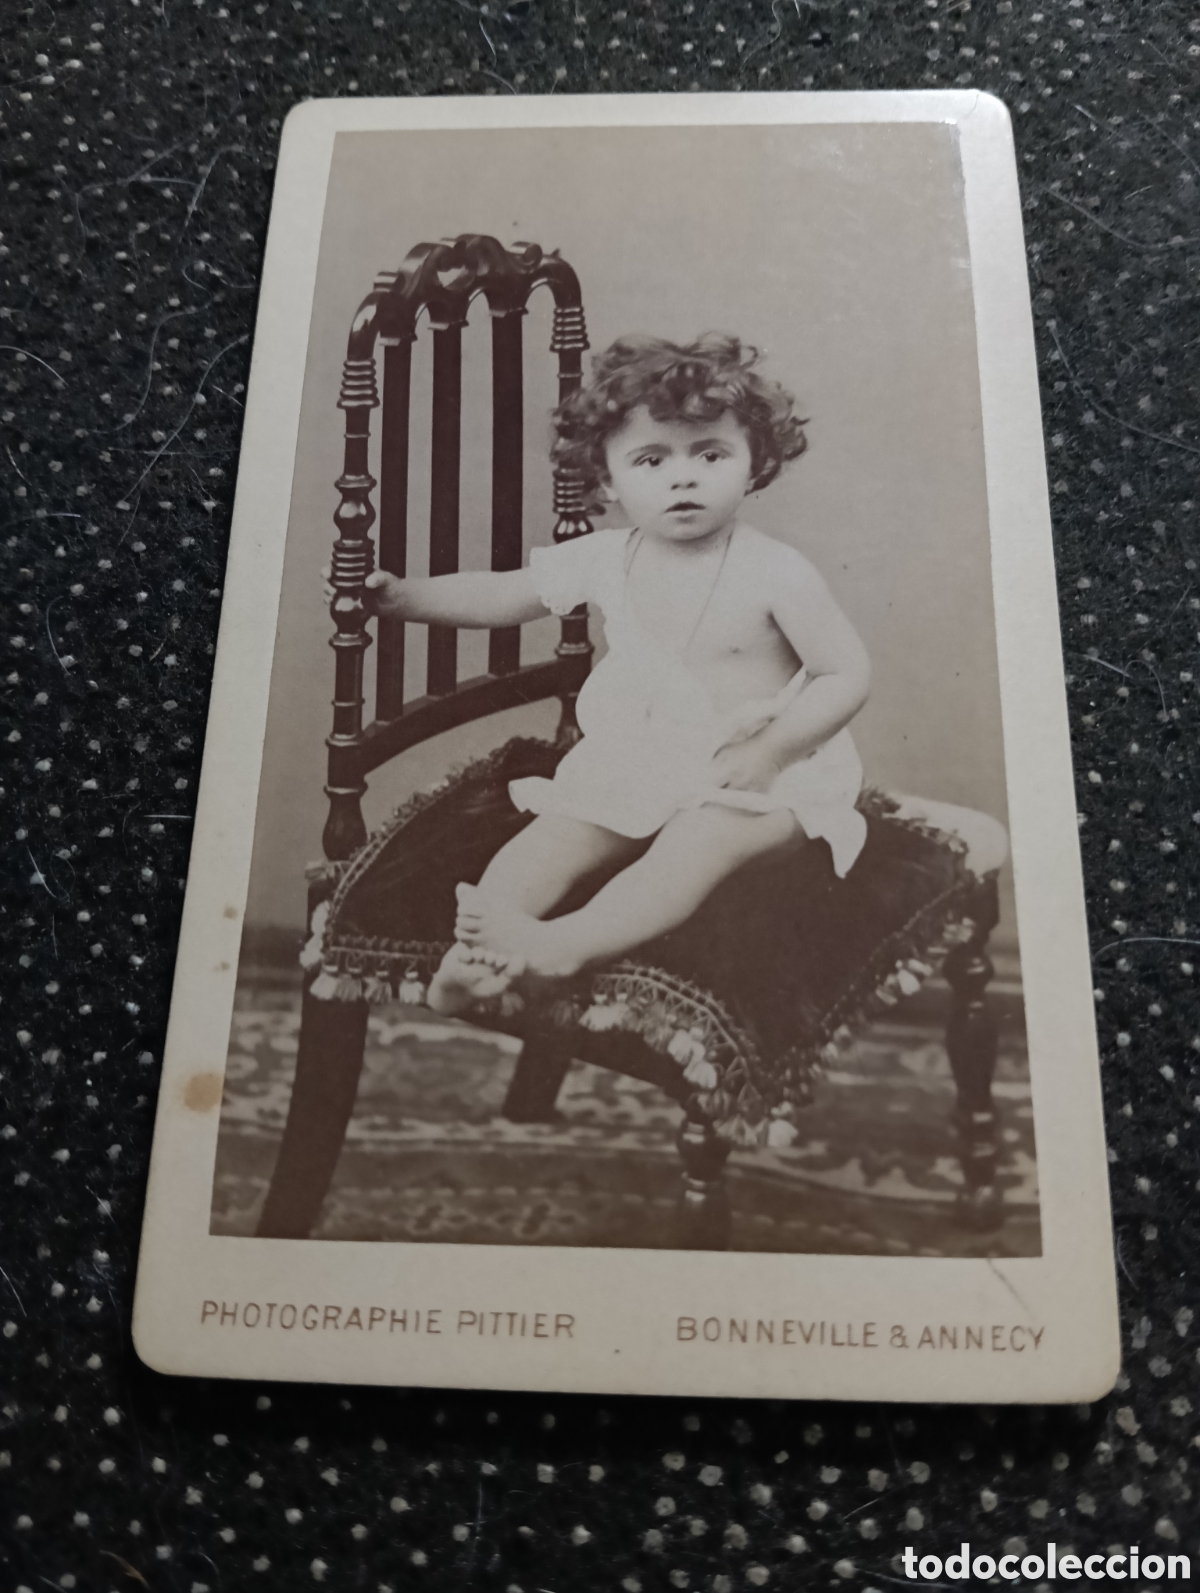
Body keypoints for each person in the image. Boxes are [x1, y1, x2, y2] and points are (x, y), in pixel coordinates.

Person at [354, 334, 871, 1013]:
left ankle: (567, 943)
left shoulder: (775, 570)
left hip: (763, 775)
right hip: (647, 758)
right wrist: (403, 598)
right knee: (556, 833)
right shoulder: (604, 556)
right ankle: (471, 962)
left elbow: (846, 672)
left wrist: (768, 754)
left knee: (695, 843)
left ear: (754, 464)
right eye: (650, 460)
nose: (683, 477)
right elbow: (503, 593)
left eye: (710, 455)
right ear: (605, 479)